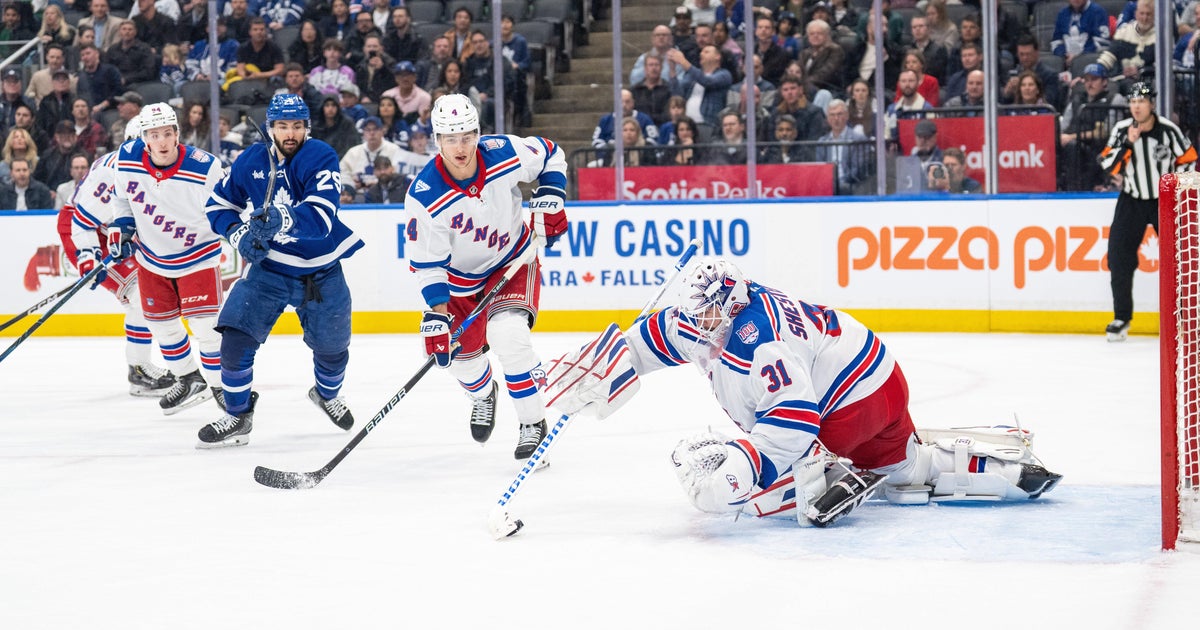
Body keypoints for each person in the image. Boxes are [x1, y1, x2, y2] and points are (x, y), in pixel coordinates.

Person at [610, 257, 1061, 524]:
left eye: (704, 312)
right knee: (907, 468)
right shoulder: (743, 301)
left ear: (728, 306)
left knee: (768, 489)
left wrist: (748, 466)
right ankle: (1003, 468)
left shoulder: (758, 339)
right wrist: (614, 357)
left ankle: (825, 475)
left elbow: (794, 419)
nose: (696, 320)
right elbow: (672, 333)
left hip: (848, 407)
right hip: (882, 380)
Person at [403, 93, 568, 459]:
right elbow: (428, 265)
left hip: (513, 261)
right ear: (437, 140)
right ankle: (483, 394)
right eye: (450, 139)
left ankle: (532, 423)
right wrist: (438, 316)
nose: (460, 147)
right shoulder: (424, 196)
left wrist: (552, 195)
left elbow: (550, 154)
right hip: (459, 283)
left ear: (478, 134)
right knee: (461, 362)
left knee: (508, 336)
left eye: (466, 136)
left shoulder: (503, 152)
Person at [198, 93, 365, 447]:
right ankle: (237, 415)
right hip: (269, 268)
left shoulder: (320, 156)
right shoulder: (251, 160)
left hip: (321, 271)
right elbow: (217, 205)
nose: (291, 133)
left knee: (333, 348)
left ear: (307, 127)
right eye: (283, 126)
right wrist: (238, 233)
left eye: (297, 126)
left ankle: (326, 395)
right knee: (235, 338)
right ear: (270, 127)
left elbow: (322, 216)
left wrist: (282, 217)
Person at [106, 102, 225, 415]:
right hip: (151, 259)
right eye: (154, 135)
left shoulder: (204, 167)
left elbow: (227, 206)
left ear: (177, 134)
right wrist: (123, 227)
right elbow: (121, 199)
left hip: (197, 256)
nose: (161, 141)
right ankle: (189, 379)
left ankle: (223, 389)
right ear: (144, 138)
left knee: (206, 328)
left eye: (167, 133)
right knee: (162, 326)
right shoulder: (126, 158)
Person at [66, 115, 176, 398]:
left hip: (112, 229)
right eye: (150, 140)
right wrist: (88, 257)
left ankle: (140, 366)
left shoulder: (153, 166)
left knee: (149, 292)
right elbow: (81, 221)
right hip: (89, 231)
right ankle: (138, 371)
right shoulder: (113, 173)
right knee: (141, 293)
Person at [1099, 83, 1197, 341]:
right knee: (1118, 258)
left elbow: (1188, 159)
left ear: (1151, 104)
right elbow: (1108, 165)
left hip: (1164, 202)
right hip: (1132, 199)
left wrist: (1175, 188)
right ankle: (1121, 317)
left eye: (1141, 101)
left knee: (1180, 259)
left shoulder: (1168, 130)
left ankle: (1185, 317)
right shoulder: (1122, 130)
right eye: (1132, 102)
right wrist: (1128, 144)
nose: (1136, 107)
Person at [1060, 63, 1126, 191]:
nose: (1090, 84)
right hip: (1074, 145)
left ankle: (1076, 189)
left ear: (1104, 81)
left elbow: (1107, 131)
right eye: (1087, 80)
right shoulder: (1077, 99)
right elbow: (1063, 127)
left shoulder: (1114, 99)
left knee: (1072, 146)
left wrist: (1072, 137)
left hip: (1099, 149)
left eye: (1094, 79)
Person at [815, 100, 870, 194]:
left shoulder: (858, 139)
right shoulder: (822, 142)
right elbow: (820, 168)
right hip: (828, 184)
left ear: (847, 116)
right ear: (827, 118)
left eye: (839, 114)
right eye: (832, 115)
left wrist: (838, 182)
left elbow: (858, 169)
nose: (836, 118)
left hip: (851, 185)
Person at [339, 115, 402, 195]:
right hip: (358, 194)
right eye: (368, 130)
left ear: (382, 131)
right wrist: (351, 185)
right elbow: (342, 172)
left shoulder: (394, 150)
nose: (372, 133)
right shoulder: (353, 152)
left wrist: (379, 184)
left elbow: (400, 175)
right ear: (363, 133)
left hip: (387, 193)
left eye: (375, 129)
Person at [1051, 0, 1111, 68]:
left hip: (1090, 62)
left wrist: (1078, 57)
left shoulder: (1098, 12)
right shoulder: (1062, 14)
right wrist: (1065, 55)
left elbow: (1103, 44)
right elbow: (1056, 42)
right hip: (1066, 61)